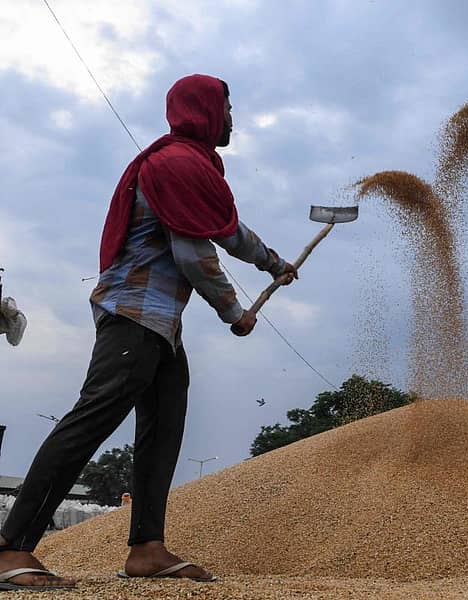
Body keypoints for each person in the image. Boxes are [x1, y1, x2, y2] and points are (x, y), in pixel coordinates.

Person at [0, 74, 297, 590]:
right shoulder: (174, 165)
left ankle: (147, 548)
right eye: (227, 108)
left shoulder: (196, 170)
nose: (232, 119)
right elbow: (193, 252)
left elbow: (228, 230)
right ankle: (11, 548)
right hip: (133, 315)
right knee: (90, 420)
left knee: (163, 431)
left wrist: (273, 263)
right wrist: (235, 312)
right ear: (204, 110)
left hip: (162, 326)